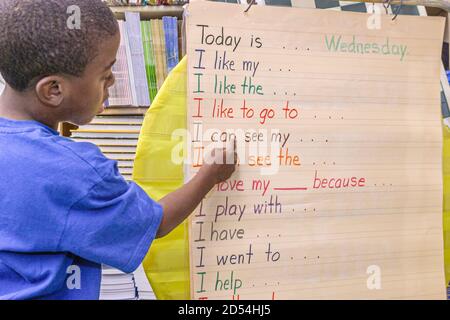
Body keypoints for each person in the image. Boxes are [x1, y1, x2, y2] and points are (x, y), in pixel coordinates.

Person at [0, 0, 236, 299]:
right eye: (106, 72)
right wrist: (211, 174)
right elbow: (157, 223)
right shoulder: (74, 171)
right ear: (53, 90)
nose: (113, 80)